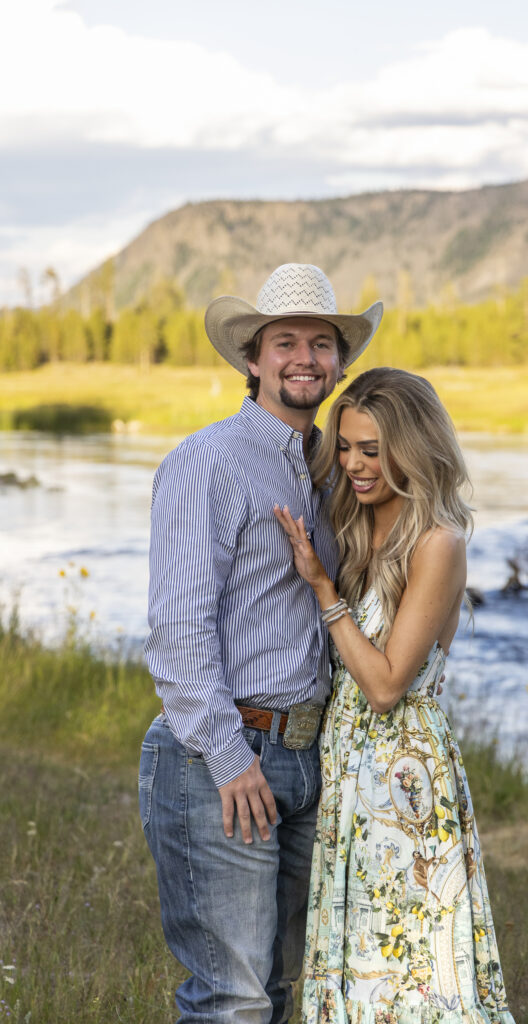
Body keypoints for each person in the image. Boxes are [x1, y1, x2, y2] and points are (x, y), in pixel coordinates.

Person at [138, 263, 383, 1023]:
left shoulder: (331, 468)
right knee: (233, 998)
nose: (304, 359)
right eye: (286, 343)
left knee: (283, 993)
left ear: (339, 363)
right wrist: (228, 756)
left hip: (308, 759)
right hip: (223, 758)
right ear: (253, 359)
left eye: (321, 343)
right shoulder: (207, 462)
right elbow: (178, 632)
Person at [275, 367, 516, 1024]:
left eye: (372, 451)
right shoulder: (353, 527)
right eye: (346, 446)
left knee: (409, 968)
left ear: (411, 449)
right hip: (347, 773)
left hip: (403, 779)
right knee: (352, 960)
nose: (353, 464)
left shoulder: (438, 542)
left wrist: (323, 589)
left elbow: (383, 685)